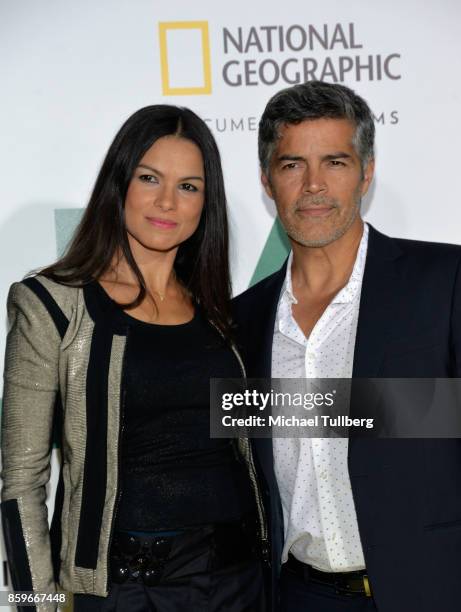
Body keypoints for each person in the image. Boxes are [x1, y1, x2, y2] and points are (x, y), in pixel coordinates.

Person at [1, 105, 268, 611]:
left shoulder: (220, 315)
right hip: (124, 592)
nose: (167, 201)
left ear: (205, 204)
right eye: (150, 178)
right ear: (119, 183)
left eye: (189, 186)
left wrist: (413, 410)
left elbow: (268, 427)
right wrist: (37, 604)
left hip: (238, 583)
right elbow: (20, 480)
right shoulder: (54, 306)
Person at [232, 81, 461, 612]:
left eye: (334, 162)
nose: (314, 185)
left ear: (366, 171)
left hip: (435, 588)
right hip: (300, 597)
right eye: (292, 165)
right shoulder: (240, 321)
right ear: (268, 180)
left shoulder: (444, 282)